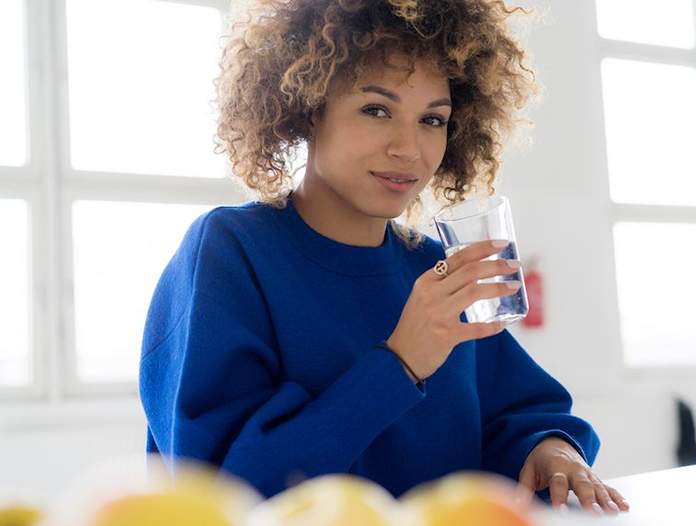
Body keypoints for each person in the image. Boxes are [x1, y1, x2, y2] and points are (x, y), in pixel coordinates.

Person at [139, 0, 629, 516]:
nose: (410, 149)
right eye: (376, 109)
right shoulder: (229, 253)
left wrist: (551, 449)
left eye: (432, 119)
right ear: (308, 107)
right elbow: (223, 494)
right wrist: (399, 364)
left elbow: (520, 412)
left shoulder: (439, 270)